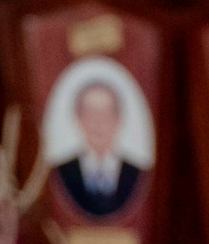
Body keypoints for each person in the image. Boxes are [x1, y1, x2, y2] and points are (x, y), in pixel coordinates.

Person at [51, 74, 144, 223]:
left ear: (118, 119)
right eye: (90, 113)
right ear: (78, 119)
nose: (98, 122)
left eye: (106, 113)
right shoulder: (61, 171)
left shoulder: (137, 173)